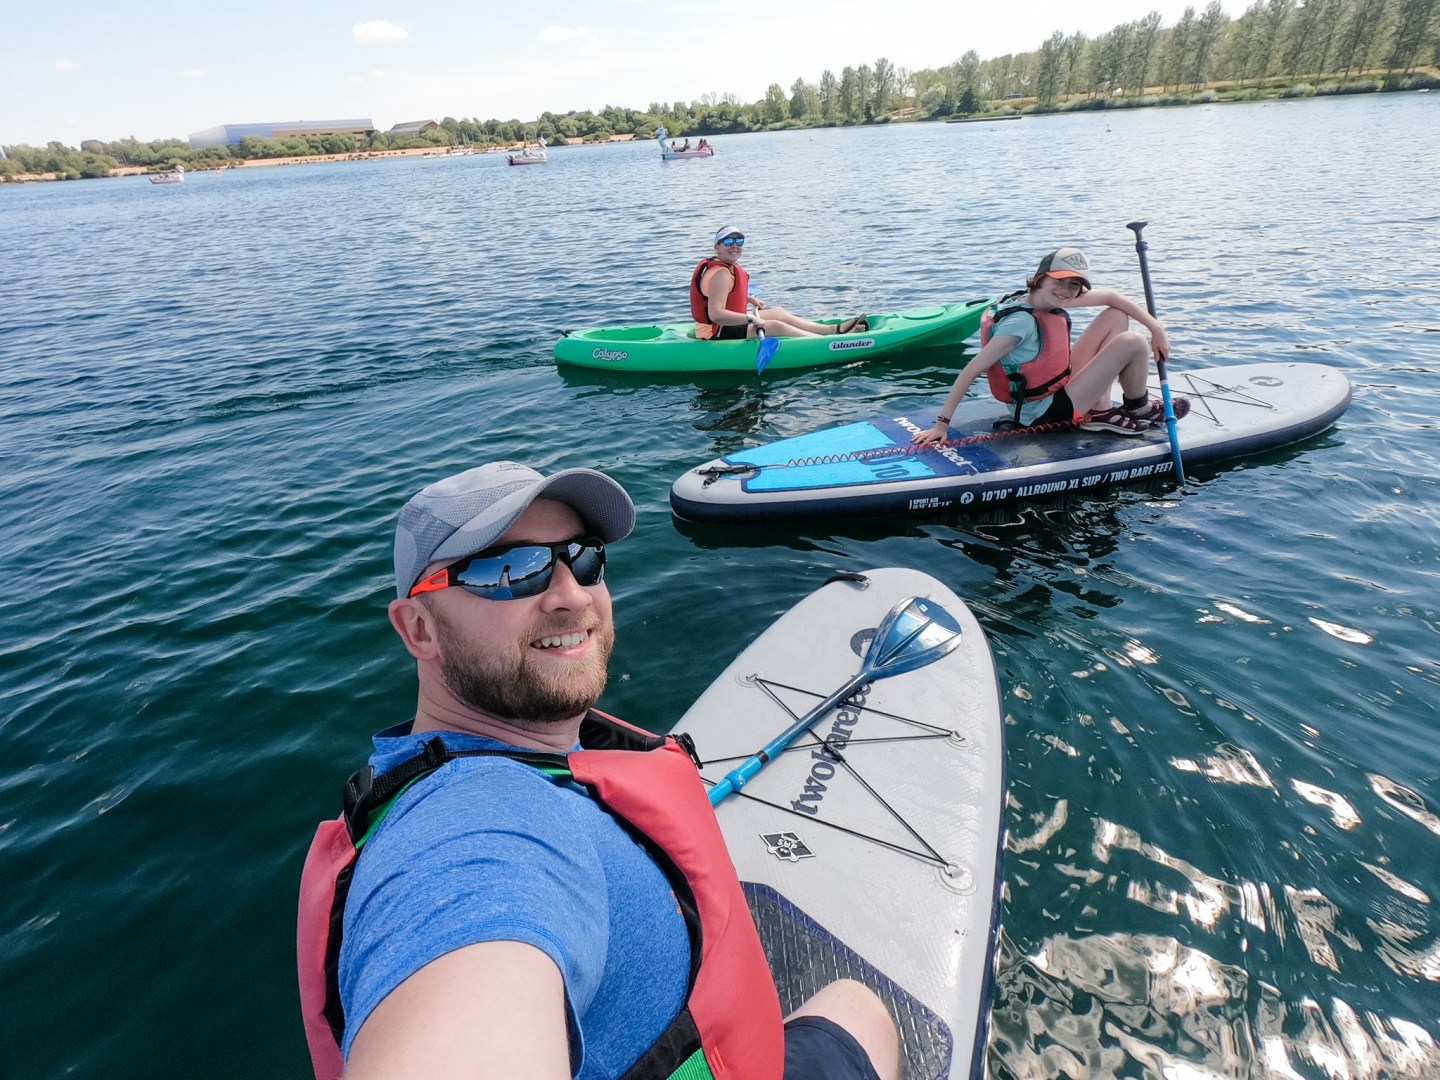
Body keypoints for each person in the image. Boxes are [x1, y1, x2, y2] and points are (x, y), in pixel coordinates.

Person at [297, 461, 901, 1080]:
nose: (571, 594)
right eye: (509, 570)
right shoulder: (472, 836)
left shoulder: (524, 767)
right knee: (861, 1010)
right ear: (418, 629)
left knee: (855, 1009)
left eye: (582, 558)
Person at [911, 247, 1187, 443]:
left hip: (1055, 390)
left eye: (1075, 285)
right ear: (1041, 278)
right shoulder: (1020, 324)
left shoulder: (1043, 299)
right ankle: (1137, 408)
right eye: (1061, 282)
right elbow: (970, 371)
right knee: (1133, 341)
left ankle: (1100, 410)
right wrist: (941, 426)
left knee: (1115, 315)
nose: (1067, 291)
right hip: (1046, 415)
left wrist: (1156, 328)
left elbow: (1112, 297)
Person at [691, 225, 870, 341]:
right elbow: (715, 314)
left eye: (739, 241)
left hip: (725, 325)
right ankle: (826, 343)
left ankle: (833, 330)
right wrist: (751, 318)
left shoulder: (723, 268)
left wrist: (747, 300)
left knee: (778, 312)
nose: (734, 245)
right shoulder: (720, 273)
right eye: (728, 241)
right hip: (715, 332)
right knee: (775, 325)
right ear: (717, 247)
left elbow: (719, 296)